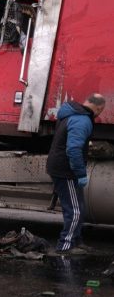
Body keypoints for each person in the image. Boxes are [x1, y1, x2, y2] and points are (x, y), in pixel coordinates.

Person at [46, 93, 106, 255]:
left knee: (79, 207)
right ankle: (65, 245)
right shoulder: (82, 120)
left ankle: (76, 240)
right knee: (75, 211)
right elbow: (73, 149)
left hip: (61, 167)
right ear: (99, 108)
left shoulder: (72, 113)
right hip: (66, 171)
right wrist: (80, 173)